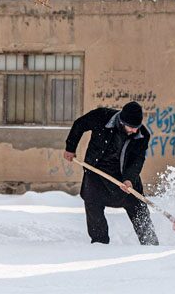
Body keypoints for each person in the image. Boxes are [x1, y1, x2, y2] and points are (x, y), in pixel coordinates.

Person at [64, 101, 159, 245]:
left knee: (137, 205)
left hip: (123, 176)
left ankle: (150, 243)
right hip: (96, 172)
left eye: (137, 127)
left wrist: (129, 179)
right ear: (121, 121)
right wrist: (70, 147)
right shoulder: (102, 116)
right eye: (131, 127)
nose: (135, 130)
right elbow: (80, 124)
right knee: (92, 203)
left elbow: (137, 160)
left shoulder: (142, 135)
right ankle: (99, 243)